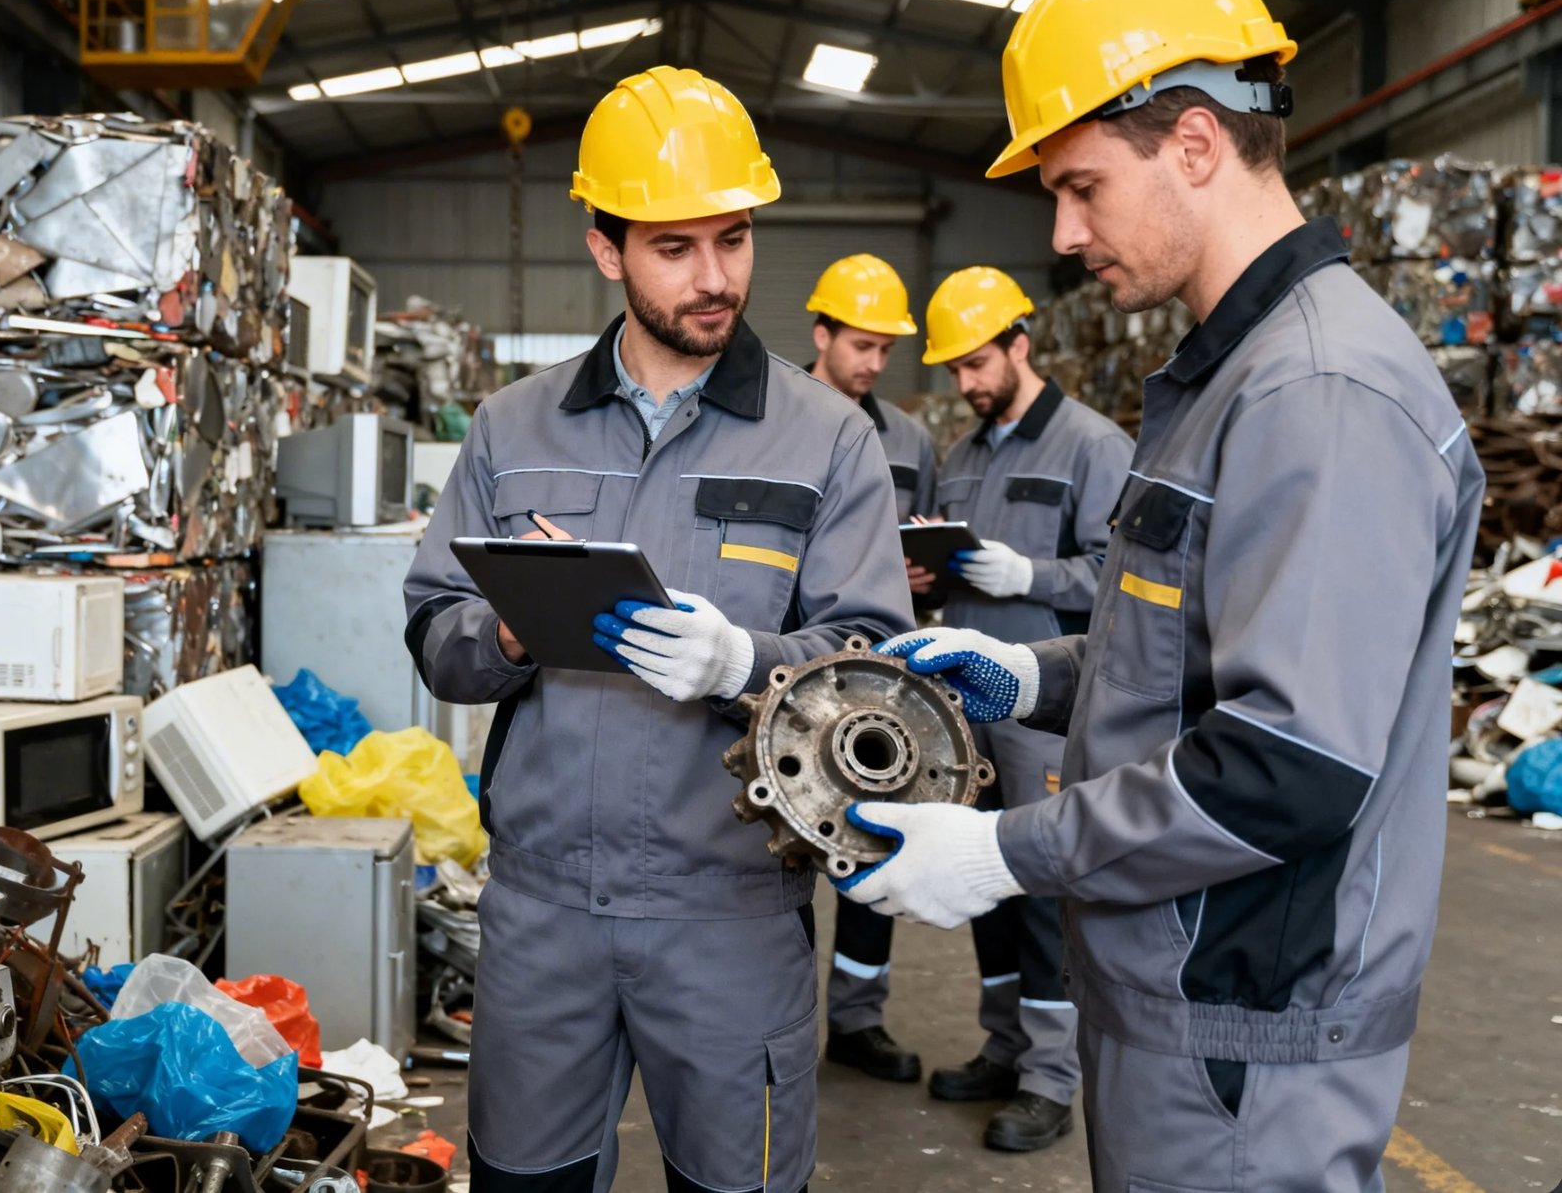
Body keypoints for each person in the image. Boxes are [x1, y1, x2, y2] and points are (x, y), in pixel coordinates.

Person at [836, 0, 1484, 1192]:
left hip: (1247, 1028)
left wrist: (1003, 853)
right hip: (1179, 996)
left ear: (1194, 143)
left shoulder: (1320, 392)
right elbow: (1189, 637)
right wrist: (1025, 676)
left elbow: (1286, 769)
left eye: (1081, 187)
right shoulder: (1222, 376)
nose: (1067, 236)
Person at [404, 65, 913, 1193]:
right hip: (543, 918)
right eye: (675, 248)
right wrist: (513, 635)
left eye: (732, 239)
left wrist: (748, 664)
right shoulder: (511, 428)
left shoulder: (826, 439)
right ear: (606, 248)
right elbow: (435, 630)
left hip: (729, 914)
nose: (716, 276)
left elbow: (876, 675)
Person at [911, 266, 1132, 1150]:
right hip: (969, 716)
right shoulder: (962, 458)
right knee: (985, 881)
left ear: (1020, 343)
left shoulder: (1093, 446)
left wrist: (1030, 576)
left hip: (1045, 711)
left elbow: (1124, 588)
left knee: (1043, 890)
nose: (966, 383)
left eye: (977, 362)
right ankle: (1004, 1049)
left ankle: (1051, 1077)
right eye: (953, 370)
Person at [800, 253, 937, 1083]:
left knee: (870, 845)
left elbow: (930, 533)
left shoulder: (911, 439)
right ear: (820, 334)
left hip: (876, 678)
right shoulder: (770, 425)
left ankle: (855, 1018)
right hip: (785, 669)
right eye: (860, 344)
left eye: (886, 349)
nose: (873, 363)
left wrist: (925, 572)